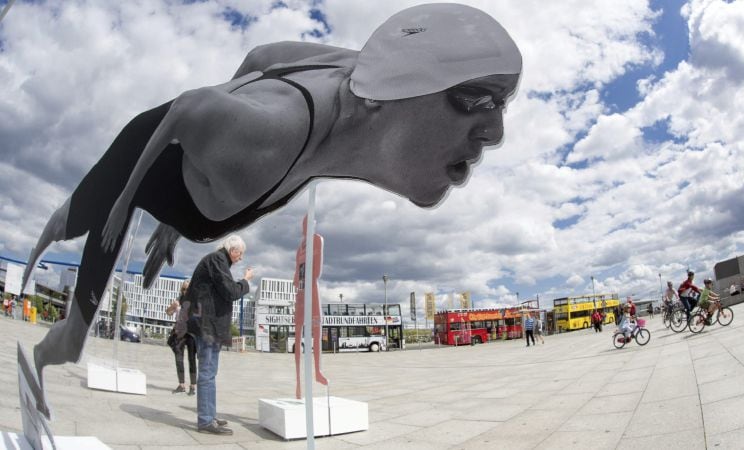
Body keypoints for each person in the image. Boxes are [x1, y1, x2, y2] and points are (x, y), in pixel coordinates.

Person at [20, 3, 522, 420]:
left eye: (501, 103)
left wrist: (173, 216)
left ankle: (51, 338)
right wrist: (134, 204)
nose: (494, 133)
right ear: (382, 96)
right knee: (74, 230)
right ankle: (44, 272)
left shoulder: (348, 81)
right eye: (471, 98)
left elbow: (263, 55)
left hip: (212, 187)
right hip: (157, 166)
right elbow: (185, 108)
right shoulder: (273, 131)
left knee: (72, 317)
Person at [186, 235, 253, 435]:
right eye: (240, 254)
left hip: (210, 325)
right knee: (207, 372)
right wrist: (246, 281)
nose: (240, 259)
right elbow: (230, 291)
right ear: (233, 250)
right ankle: (206, 421)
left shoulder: (218, 261)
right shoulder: (217, 260)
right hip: (207, 325)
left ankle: (210, 415)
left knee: (210, 372)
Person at [293, 216, 327, 399]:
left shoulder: (317, 240)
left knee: (316, 329)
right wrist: (298, 285)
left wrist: (303, 279)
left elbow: (317, 271)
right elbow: (295, 274)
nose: (305, 226)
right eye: (303, 223)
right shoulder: (299, 248)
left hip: (311, 289)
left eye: (308, 224)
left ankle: (317, 370)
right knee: (297, 335)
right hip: (301, 292)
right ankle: (298, 382)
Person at [165, 280, 197, 396]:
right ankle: (181, 385)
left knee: (192, 359)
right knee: (179, 358)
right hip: (179, 332)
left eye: (188, 289)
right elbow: (168, 313)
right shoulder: (178, 300)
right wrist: (172, 307)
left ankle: (193, 386)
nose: (185, 291)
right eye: (184, 289)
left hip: (192, 333)